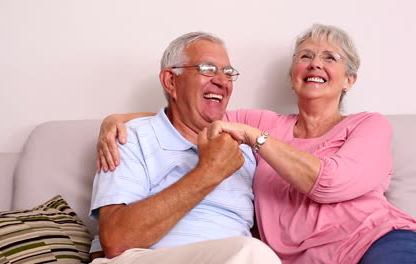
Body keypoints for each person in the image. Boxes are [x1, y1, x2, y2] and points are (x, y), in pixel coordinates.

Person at [96, 24, 416, 263]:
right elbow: (194, 114)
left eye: (330, 57)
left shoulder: (366, 124)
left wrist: (255, 139)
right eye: (305, 56)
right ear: (292, 74)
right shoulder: (264, 125)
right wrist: (121, 119)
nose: (315, 64)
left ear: (349, 80)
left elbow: (329, 183)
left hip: (373, 240)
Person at [89, 31, 280, 263]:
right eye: (208, 69)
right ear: (171, 81)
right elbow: (116, 241)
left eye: (228, 72)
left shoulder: (245, 148)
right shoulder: (130, 136)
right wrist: (210, 172)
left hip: (233, 257)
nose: (222, 81)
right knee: (252, 252)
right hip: (145, 257)